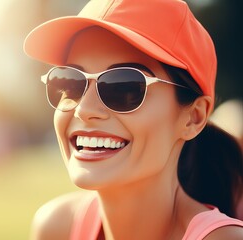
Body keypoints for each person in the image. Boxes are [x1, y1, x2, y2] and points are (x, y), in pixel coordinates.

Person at [23, 0, 243, 239]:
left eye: (124, 86)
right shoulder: (57, 228)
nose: (84, 109)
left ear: (194, 117)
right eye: (70, 83)